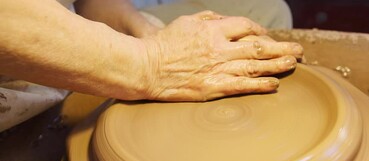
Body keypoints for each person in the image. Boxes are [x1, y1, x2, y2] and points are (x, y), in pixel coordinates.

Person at [0, 0, 303, 131]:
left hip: (59, 31)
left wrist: (145, 32)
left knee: (264, 12)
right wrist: (152, 62)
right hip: (12, 76)